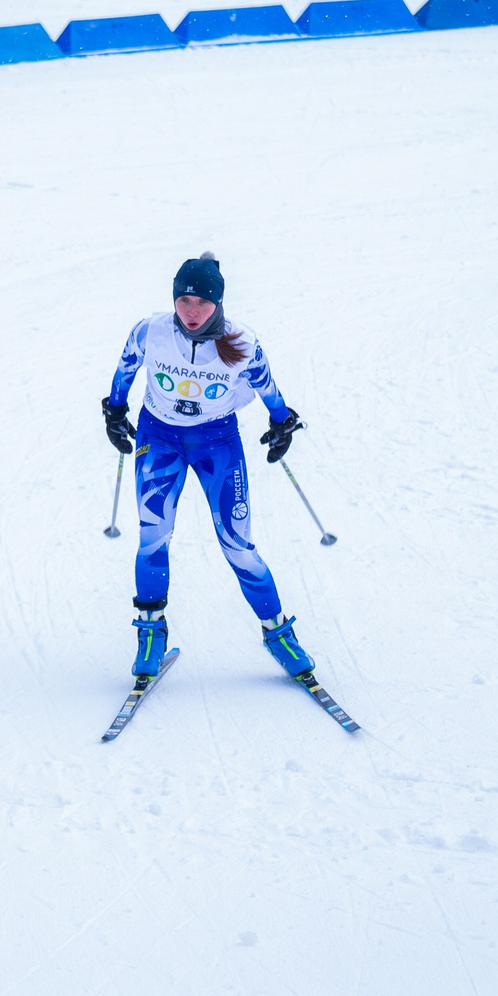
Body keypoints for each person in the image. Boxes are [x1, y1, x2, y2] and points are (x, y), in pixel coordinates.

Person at [102, 254, 315, 683]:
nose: (191, 311)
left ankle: (279, 634)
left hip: (216, 443)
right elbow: (125, 368)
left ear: (218, 303)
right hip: (159, 438)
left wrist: (281, 421)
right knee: (152, 537)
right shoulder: (152, 332)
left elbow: (267, 386)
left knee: (238, 545)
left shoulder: (242, 343)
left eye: (202, 301)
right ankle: (150, 634)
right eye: (183, 299)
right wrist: (115, 410)